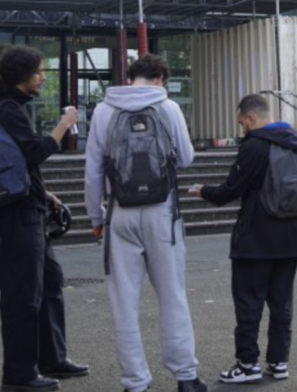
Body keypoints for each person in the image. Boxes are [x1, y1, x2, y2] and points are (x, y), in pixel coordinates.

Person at [84, 54, 207, 392]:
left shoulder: (105, 110)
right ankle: (186, 377)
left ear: (131, 76)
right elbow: (185, 157)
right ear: (160, 79)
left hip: (120, 214)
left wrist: (96, 217)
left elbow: (93, 170)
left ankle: (136, 382)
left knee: (124, 303)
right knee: (173, 296)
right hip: (162, 214)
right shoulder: (168, 107)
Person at [0, 46, 89, 392]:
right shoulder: (9, 110)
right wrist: (64, 125)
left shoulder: (9, 110)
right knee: (22, 293)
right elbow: (36, 153)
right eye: (40, 71)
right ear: (23, 75)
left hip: (29, 207)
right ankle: (19, 374)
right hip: (18, 215)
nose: (44, 77)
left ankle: (51, 358)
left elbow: (18, 164)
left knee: (51, 282)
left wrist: (45, 194)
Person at [189, 94, 297, 384]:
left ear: (253, 119)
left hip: (257, 237)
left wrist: (202, 190)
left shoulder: (255, 146)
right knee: (282, 302)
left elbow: (229, 191)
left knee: (249, 302)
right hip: (294, 234)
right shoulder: (296, 141)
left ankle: (247, 364)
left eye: (243, 123)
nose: (242, 128)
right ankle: (279, 361)